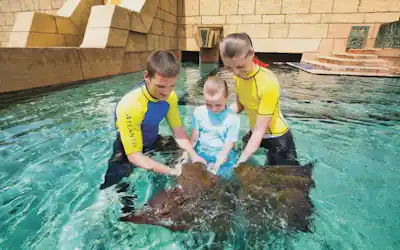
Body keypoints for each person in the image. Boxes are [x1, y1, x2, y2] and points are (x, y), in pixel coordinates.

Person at [100, 50, 206, 190]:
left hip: (152, 140)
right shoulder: (130, 105)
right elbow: (135, 155)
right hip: (127, 149)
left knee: (183, 153)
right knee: (119, 188)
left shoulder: (171, 97)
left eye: (172, 85)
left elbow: (178, 131)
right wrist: (172, 172)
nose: (166, 92)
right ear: (146, 77)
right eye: (161, 86)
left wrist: (193, 155)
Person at [219, 33, 299, 166]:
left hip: (277, 138)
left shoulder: (268, 81)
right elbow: (240, 105)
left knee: (278, 181)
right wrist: (219, 113)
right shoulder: (237, 76)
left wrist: (240, 162)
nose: (235, 73)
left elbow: (259, 131)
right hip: (255, 132)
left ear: (251, 54)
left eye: (240, 67)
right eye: (229, 67)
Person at [191, 76, 240, 179]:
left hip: (224, 156)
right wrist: (188, 153)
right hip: (202, 154)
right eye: (208, 104)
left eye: (218, 105)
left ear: (227, 97)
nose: (213, 109)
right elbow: (194, 139)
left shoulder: (233, 118)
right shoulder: (198, 112)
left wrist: (221, 157)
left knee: (220, 182)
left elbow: (229, 144)